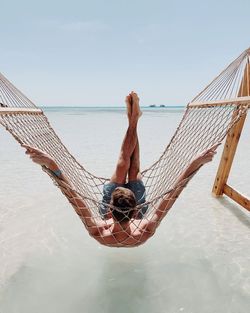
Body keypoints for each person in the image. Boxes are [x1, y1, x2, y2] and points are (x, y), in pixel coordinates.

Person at [23, 92, 219, 247]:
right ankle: (134, 119)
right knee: (133, 166)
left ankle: (133, 119)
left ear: (108, 208)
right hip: (133, 213)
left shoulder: (100, 231)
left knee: (122, 163)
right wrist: (195, 163)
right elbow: (173, 194)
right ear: (136, 210)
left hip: (123, 216)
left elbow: (72, 196)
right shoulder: (142, 229)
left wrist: (51, 165)